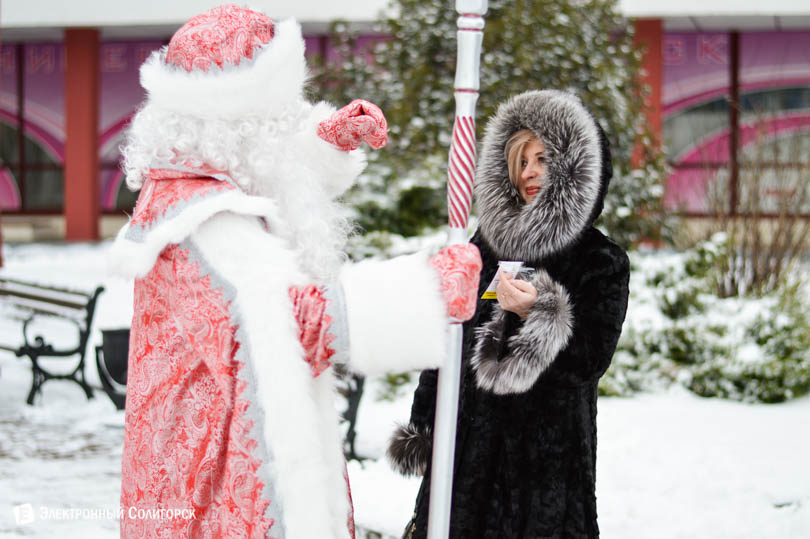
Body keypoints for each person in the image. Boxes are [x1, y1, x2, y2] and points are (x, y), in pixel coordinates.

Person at [108, 5, 481, 538]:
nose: (292, 118)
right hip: (225, 481)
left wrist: (325, 142)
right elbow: (291, 319)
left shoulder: (188, 183)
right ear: (236, 118)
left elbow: (272, 172)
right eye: (279, 111)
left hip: (198, 462)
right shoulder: (207, 220)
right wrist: (428, 291)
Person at [388, 89, 630, 538]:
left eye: (544, 158)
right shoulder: (483, 245)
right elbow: (447, 343)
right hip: (467, 458)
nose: (530, 171)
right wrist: (424, 425)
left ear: (576, 168)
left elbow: (590, 359)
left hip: (543, 467)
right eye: (521, 161)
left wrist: (540, 312)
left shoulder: (599, 260)